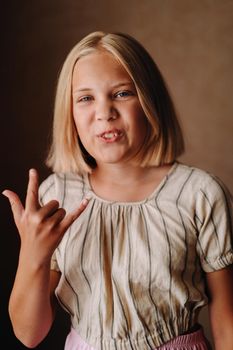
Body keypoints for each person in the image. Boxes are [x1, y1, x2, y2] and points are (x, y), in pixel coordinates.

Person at [3, 31, 233, 350]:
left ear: (149, 100)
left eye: (122, 93)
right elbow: (29, 334)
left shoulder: (199, 194)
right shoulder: (56, 196)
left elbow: (226, 319)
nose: (104, 111)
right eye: (85, 98)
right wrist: (34, 255)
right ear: (68, 112)